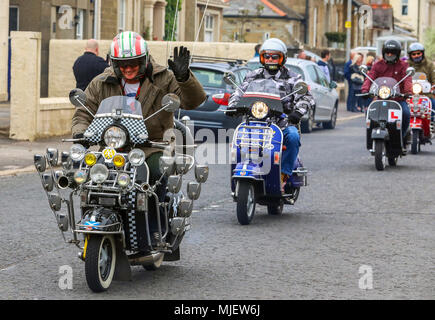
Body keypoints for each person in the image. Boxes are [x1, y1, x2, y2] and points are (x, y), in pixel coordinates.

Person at [71, 31, 207, 189]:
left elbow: (192, 102)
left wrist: (184, 78)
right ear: (114, 63)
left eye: (133, 63)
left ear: (144, 60)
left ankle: (159, 209)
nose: (127, 69)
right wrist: (81, 133)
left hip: (153, 146)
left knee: (158, 172)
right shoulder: (101, 81)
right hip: (112, 148)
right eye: (122, 64)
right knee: (90, 176)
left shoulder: (164, 78)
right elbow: (83, 111)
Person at [227, 38, 315, 190]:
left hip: (282, 123)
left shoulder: (293, 77)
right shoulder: (253, 75)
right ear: (262, 58)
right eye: (266, 56)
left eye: (275, 57)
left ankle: (284, 174)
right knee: (237, 142)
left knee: (293, 137)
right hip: (253, 122)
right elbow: (239, 91)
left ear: (283, 58)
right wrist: (233, 105)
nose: (270, 59)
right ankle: (240, 172)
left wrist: (297, 112)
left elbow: (307, 97)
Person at [361, 39, 412, 143]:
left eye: (392, 53)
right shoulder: (377, 65)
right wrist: (365, 89)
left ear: (397, 54)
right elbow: (370, 77)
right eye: (387, 52)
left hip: (398, 99)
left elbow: (407, 79)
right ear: (384, 53)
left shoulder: (403, 65)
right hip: (380, 98)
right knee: (369, 113)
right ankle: (371, 137)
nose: (389, 55)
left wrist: (407, 92)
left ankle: (401, 137)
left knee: (406, 113)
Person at [407, 42, 435, 119]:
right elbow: (402, 78)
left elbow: (434, 78)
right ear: (410, 55)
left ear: (422, 53)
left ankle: (432, 123)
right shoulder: (406, 65)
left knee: (432, 103)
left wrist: (433, 86)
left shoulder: (429, 65)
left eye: (418, 53)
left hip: (426, 94)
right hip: (409, 94)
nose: (416, 56)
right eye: (414, 54)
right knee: (403, 108)